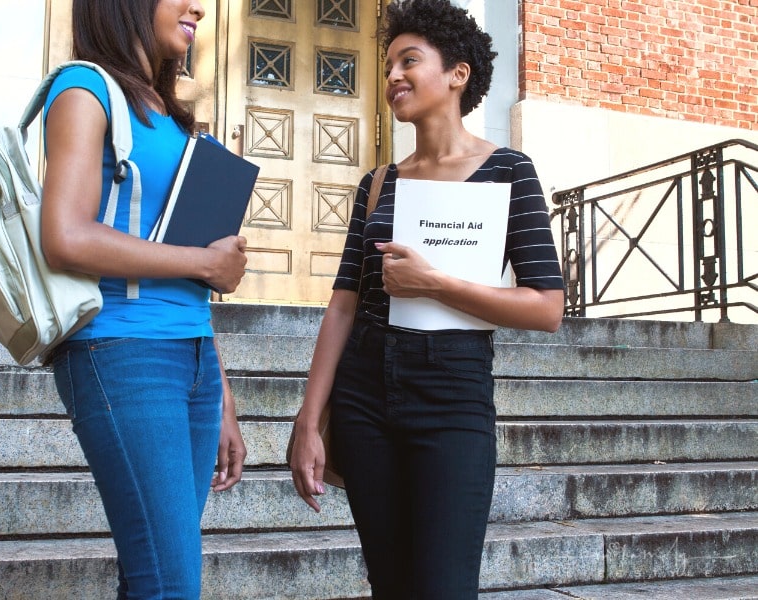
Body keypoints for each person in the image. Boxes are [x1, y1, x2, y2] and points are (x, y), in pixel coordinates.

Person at [288, 0, 566, 597]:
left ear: (458, 73)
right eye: (388, 64)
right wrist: (309, 420)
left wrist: (434, 283)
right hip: (363, 392)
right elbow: (344, 301)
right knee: (390, 585)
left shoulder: (509, 172)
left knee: (443, 587)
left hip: (452, 394)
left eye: (408, 61)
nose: (392, 77)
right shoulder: (379, 184)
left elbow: (546, 307)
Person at [40, 1, 248, 598]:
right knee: (170, 584)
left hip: (192, 358)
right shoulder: (84, 89)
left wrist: (222, 393)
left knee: (153, 577)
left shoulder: (168, 113)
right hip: (121, 350)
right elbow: (66, 235)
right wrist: (205, 262)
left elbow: (182, 272)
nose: (199, 8)